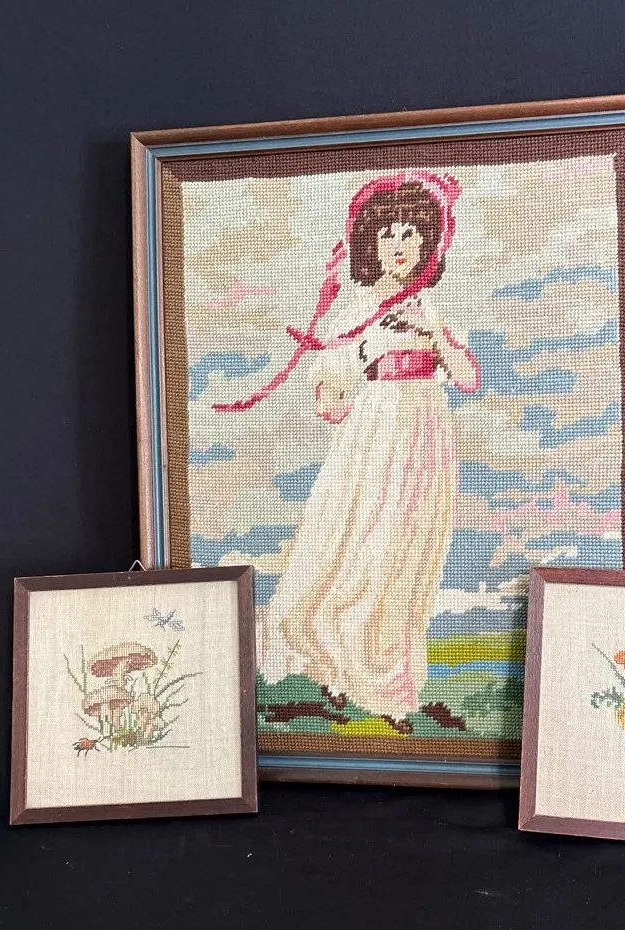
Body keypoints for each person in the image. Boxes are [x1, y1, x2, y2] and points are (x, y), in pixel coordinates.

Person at [248, 172, 480, 734]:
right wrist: (368, 350)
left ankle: (391, 681)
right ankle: (335, 666)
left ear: (427, 243)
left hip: (426, 433)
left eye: (411, 235)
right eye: (388, 235)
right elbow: (329, 393)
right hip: (377, 430)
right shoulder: (358, 306)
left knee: (409, 551)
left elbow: (469, 379)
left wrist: (435, 335)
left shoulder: (430, 306)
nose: (399, 246)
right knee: (362, 546)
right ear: (371, 245)